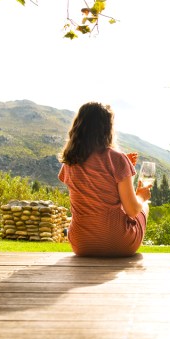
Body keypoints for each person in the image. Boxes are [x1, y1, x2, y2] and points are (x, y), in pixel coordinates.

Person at [58, 102, 152, 257]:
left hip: (81, 244)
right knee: (143, 207)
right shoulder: (117, 159)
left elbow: (93, 185)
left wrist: (123, 166)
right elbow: (132, 210)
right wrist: (141, 195)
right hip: (119, 243)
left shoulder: (69, 162)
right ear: (107, 129)